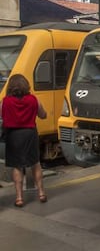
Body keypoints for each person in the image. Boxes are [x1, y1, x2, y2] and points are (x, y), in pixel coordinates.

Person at [1, 74, 47, 207]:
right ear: (26, 85)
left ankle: (19, 198)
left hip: (13, 136)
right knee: (35, 164)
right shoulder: (33, 99)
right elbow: (43, 115)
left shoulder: (6, 101)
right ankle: (41, 193)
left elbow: (1, 115)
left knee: (17, 166)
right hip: (30, 135)